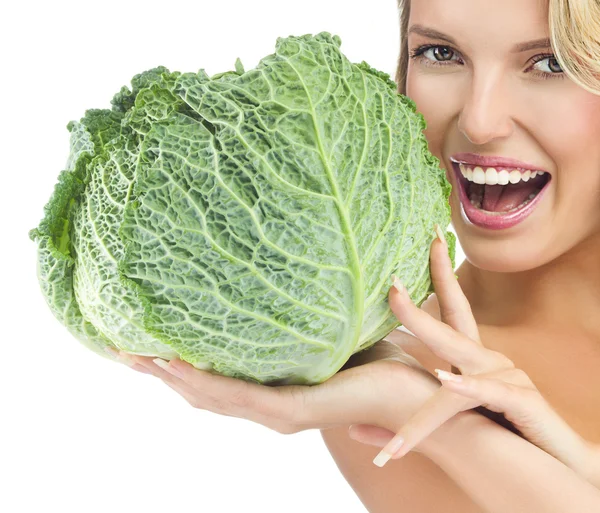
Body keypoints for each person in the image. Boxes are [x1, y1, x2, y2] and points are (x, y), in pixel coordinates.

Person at [117, 0, 600, 510]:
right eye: (440, 53)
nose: (480, 121)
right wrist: (410, 406)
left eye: (552, 63)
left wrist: (570, 452)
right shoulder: (373, 369)